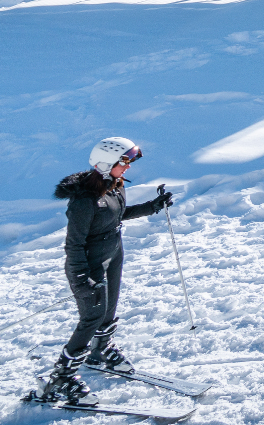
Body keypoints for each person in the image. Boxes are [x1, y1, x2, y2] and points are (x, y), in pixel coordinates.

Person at [32, 137, 174, 407]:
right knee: (91, 318)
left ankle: (100, 351)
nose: (128, 167)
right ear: (107, 164)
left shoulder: (115, 186)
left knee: (108, 311)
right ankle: (61, 378)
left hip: (113, 255)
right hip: (89, 265)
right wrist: (81, 278)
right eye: (124, 161)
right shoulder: (84, 201)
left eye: (129, 161)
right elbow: (73, 244)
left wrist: (153, 206)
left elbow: (117, 215)